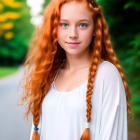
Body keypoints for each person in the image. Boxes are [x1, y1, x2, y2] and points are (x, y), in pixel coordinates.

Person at [17, 0, 134, 139]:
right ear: (54, 28)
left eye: (82, 25)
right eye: (64, 24)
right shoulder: (49, 73)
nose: (73, 34)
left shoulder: (106, 74)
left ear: (95, 29)